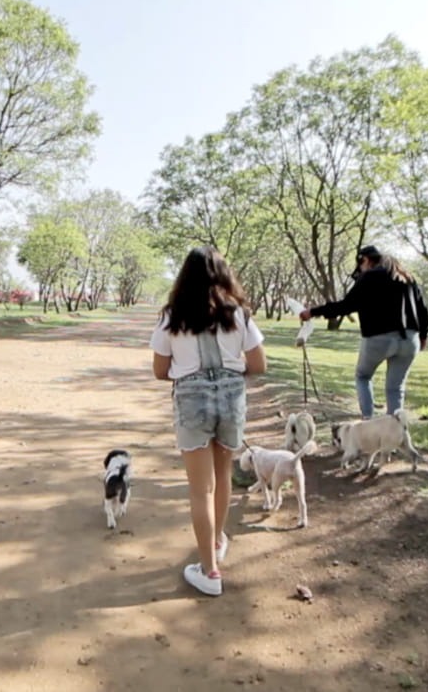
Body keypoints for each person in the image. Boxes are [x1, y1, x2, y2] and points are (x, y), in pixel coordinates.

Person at [150, 246, 267, 596]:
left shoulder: (172, 315)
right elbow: (259, 365)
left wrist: (190, 373)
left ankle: (210, 572)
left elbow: (159, 371)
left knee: (200, 489)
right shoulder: (239, 314)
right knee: (222, 477)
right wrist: (229, 373)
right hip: (231, 399)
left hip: (191, 401)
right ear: (222, 273)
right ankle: (216, 542)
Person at [299, 245, 428, 420]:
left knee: (363, 376)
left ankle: (368, 421)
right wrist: (423, 336)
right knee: (395, 388)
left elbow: (346, 305)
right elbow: (423, 311)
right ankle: (395, 432)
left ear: (366, 260)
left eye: (360, 265)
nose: (360, 269)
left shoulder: (369, 278)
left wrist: (313, 312)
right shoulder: (407, 279)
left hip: (378, 338)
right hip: (409, 339)